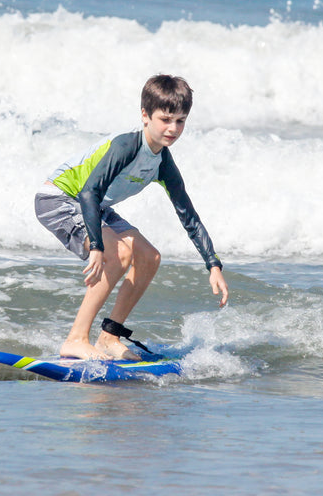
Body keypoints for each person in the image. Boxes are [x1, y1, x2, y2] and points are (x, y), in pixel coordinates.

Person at [34, 74, 229, 361]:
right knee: (119, 255)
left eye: (181, 121)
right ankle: (75, 339)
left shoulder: (162, 162)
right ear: (145, 116)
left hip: (95, 205)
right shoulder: (126, 146)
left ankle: (109, 337)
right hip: (59, 199)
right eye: (165, 119)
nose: (173, 128)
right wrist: (98, 248)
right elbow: (89, 191)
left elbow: (188, 214)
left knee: (150, 257)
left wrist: (213, 265)